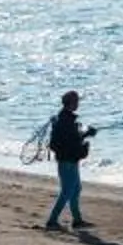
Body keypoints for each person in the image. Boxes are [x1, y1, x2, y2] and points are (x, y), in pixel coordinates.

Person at [41, 90, 98, 232]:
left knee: (76, 189)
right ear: (71, 103)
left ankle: (77, 220)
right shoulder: (65, 121)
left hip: (70, 160)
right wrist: (86, 135)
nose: (78, 103)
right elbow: (70, 141)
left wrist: (85, 134)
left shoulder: (65, 119)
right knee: (67, 191)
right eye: (77, 101)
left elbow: (71, 139)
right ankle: (52, 221)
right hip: (67, 161)